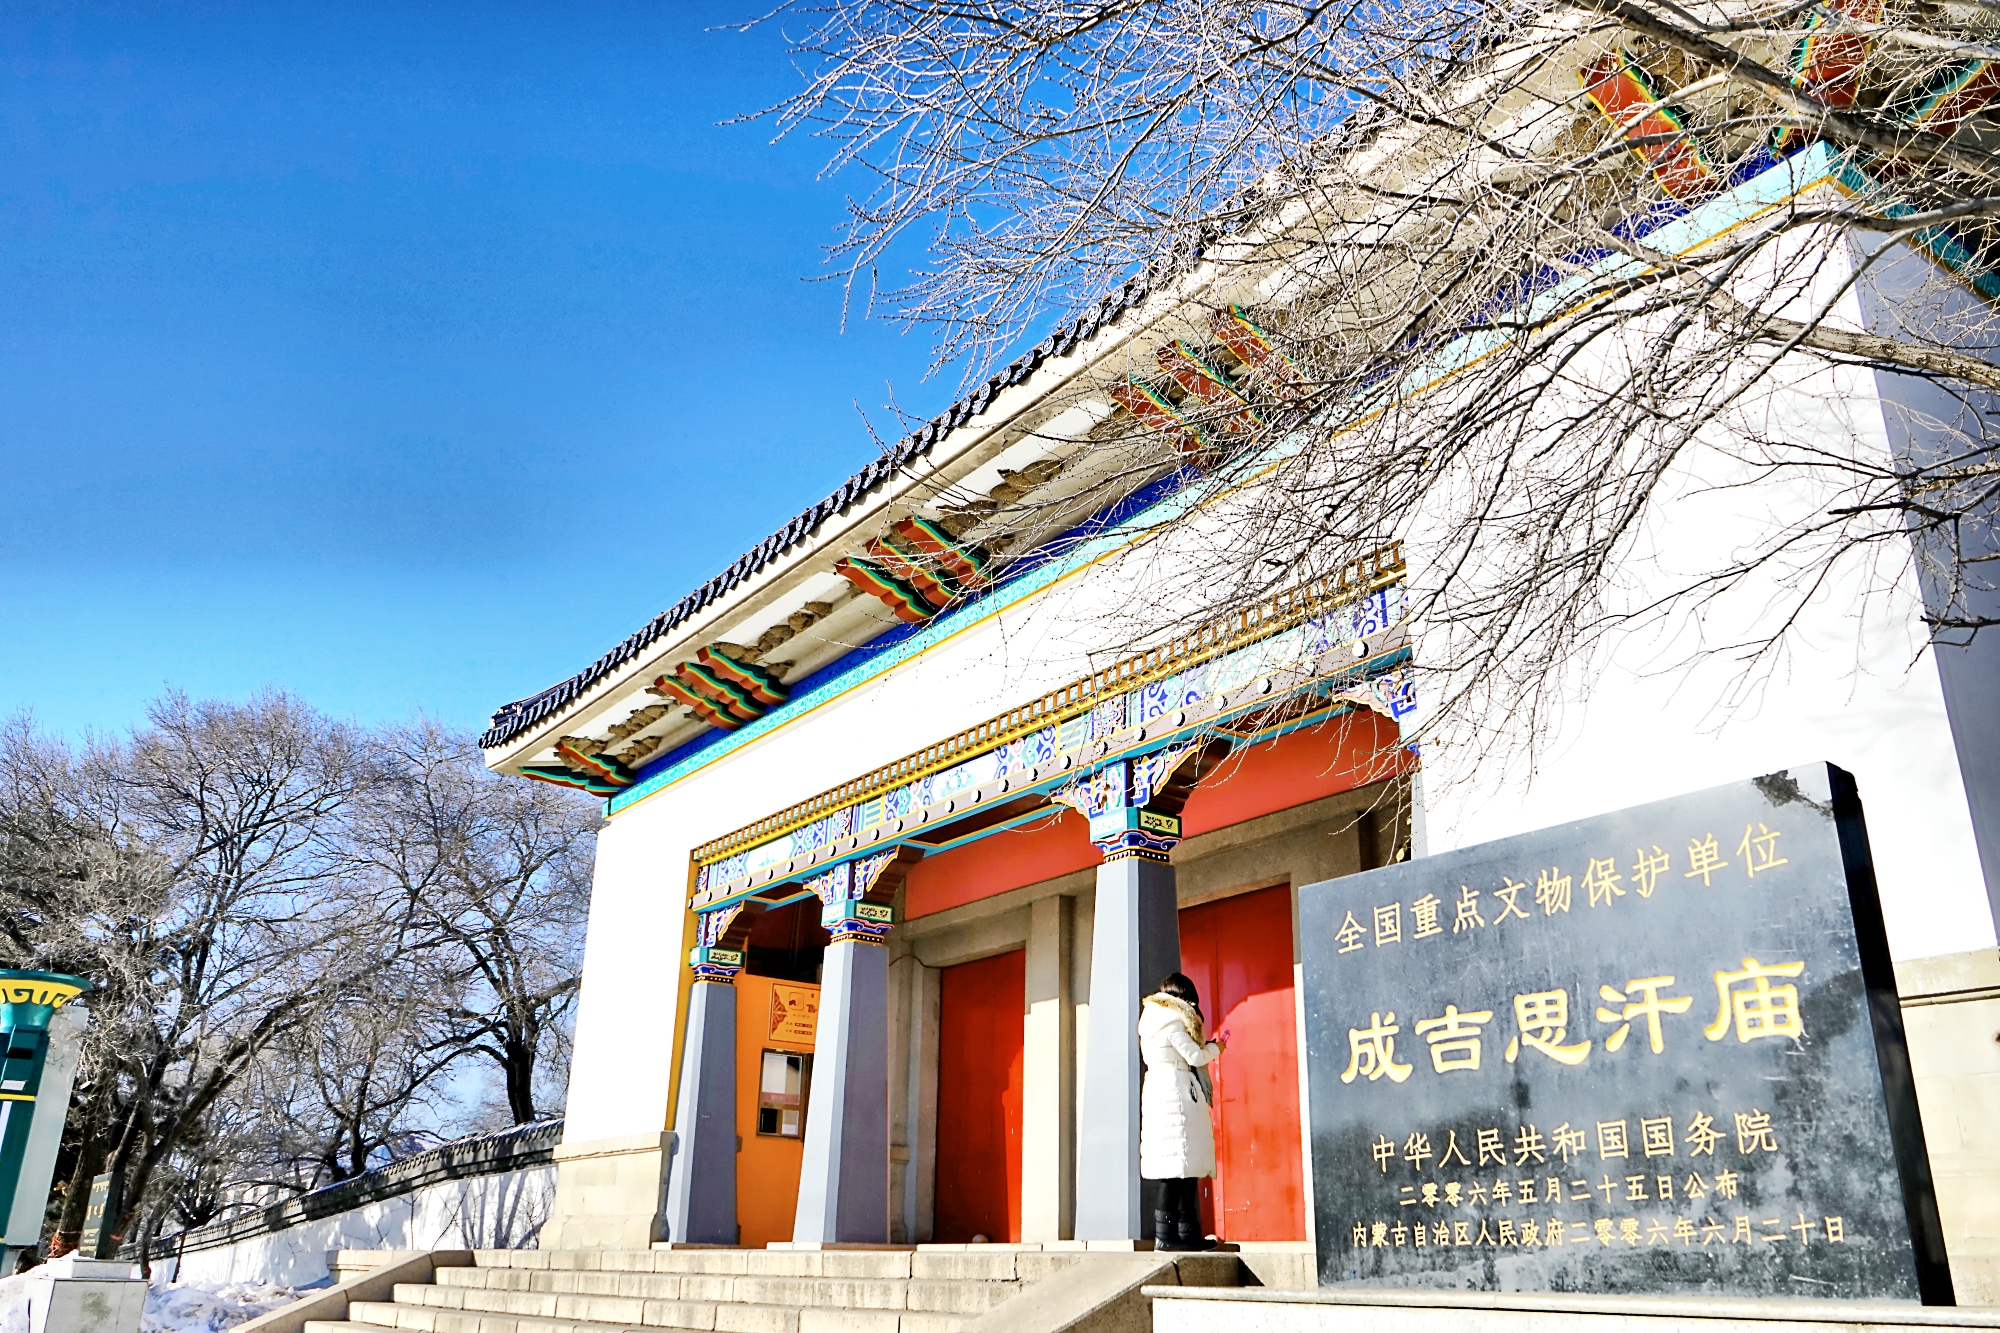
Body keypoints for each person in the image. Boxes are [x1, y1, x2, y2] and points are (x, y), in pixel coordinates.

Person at [1137, 971, 1225, 1251]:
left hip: (1161, 1091)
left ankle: (1182, 1236)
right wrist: (1217, 1048)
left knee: (1179, 1170)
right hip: (1176, 1091)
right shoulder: (1173, 1021)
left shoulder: (1151, 1019)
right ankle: (1170, 1237)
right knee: (1179, 1171)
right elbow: (1195, 1056)